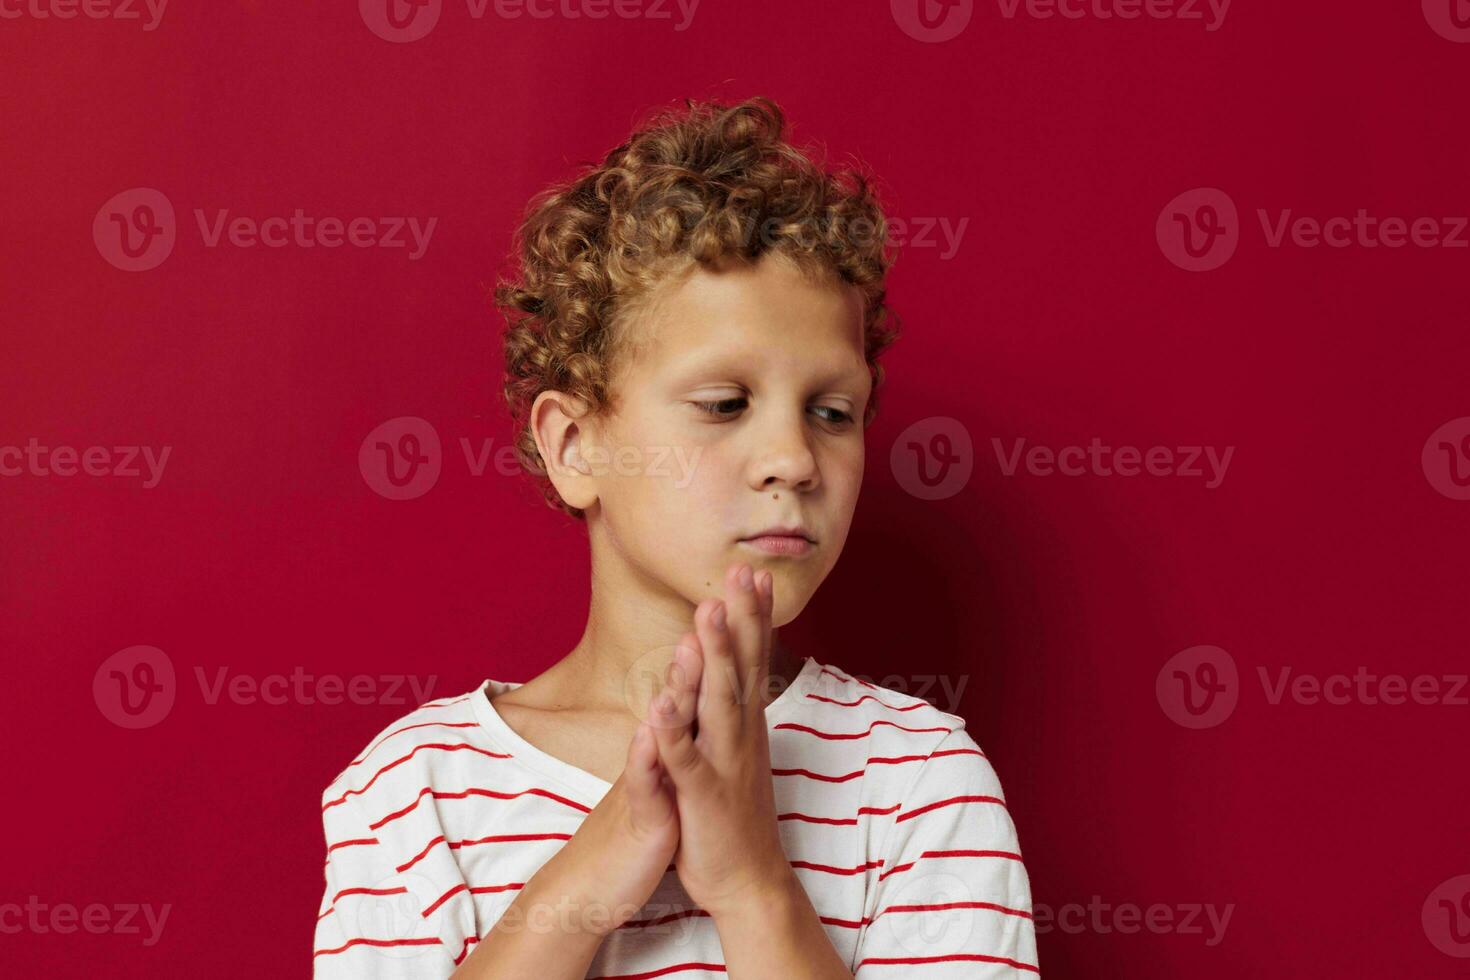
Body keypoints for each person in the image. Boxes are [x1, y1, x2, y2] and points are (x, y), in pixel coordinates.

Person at [311, 95, 1038, 978]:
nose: (793, 460)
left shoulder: (919, 781)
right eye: (724, 405)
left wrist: (752, 882)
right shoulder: (412, 795)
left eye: (832, 412)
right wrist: (607, 849)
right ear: (576, 447)